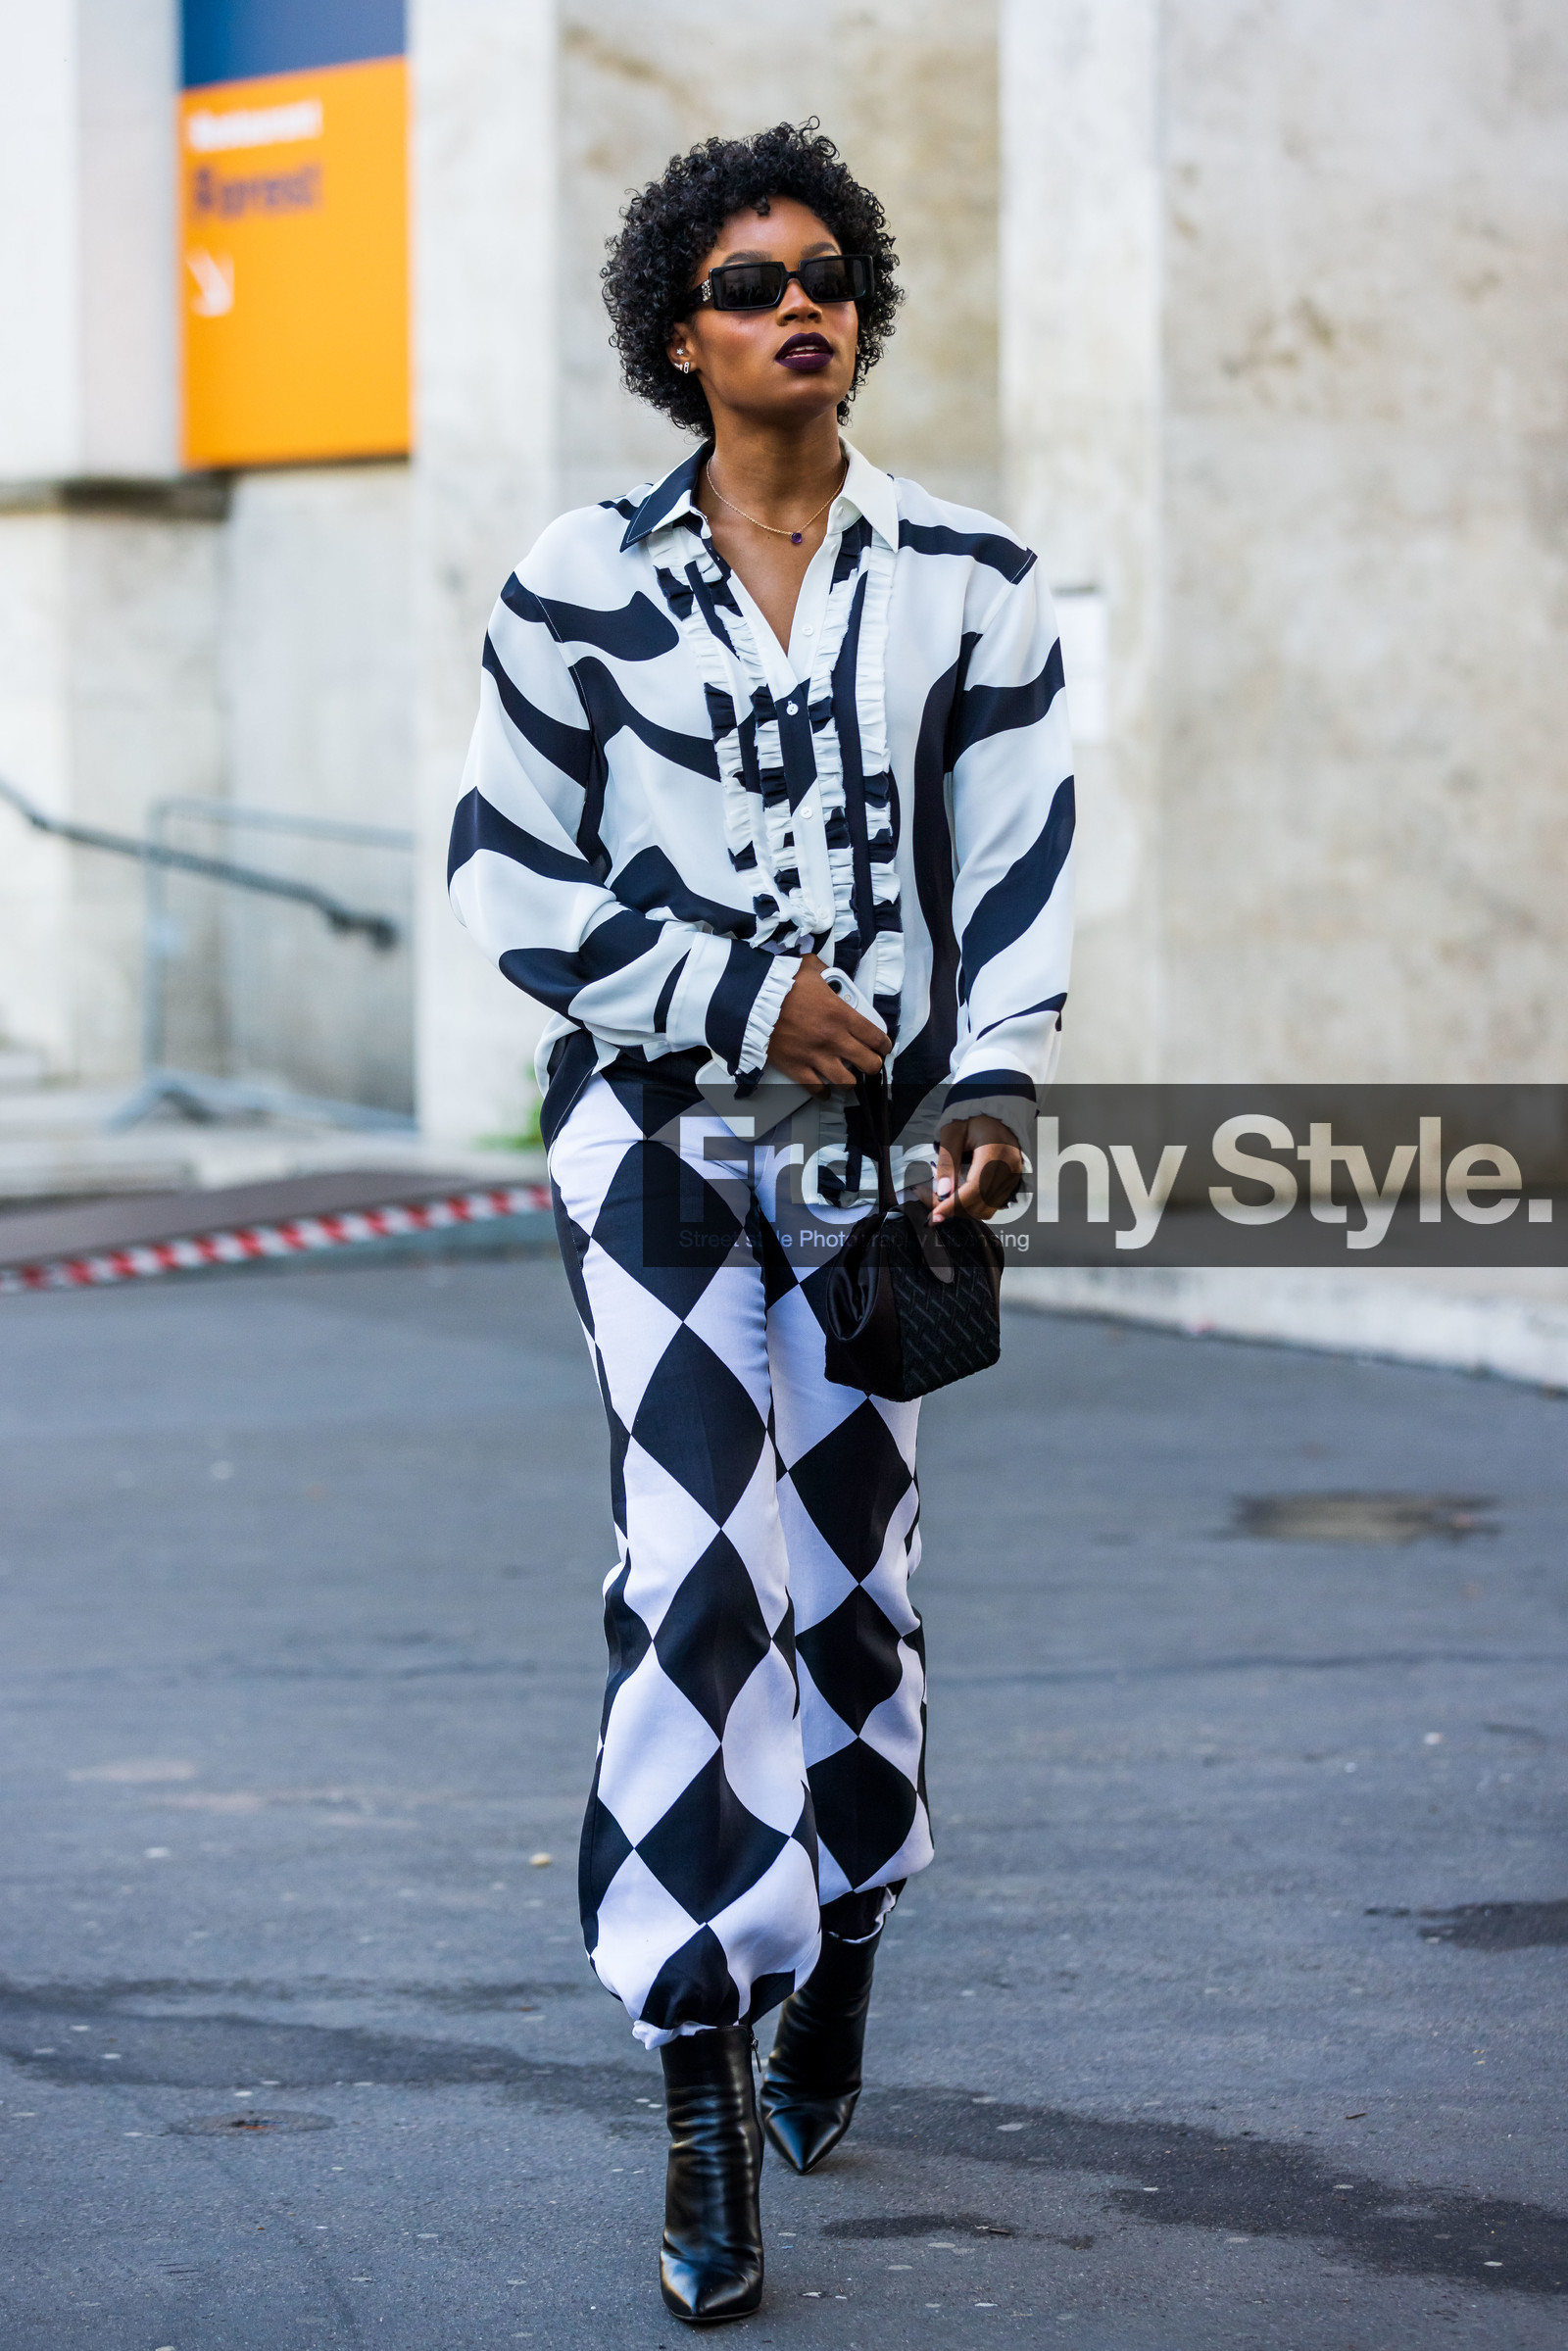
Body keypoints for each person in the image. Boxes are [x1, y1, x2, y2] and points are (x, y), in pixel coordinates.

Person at [448, 120, 1074, 2325]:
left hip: (874, 1161)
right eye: (741, 279)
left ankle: (852, 1939)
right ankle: (697, 2076)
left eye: (821, 270)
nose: (791, 301)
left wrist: (985, 1079)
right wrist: (731, 994)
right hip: (649, 1138)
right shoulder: (572, 584)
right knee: (697, 1569)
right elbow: (506, 879)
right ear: (674, 331)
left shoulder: (973, 581)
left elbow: (1012, 870)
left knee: (852, 1594)